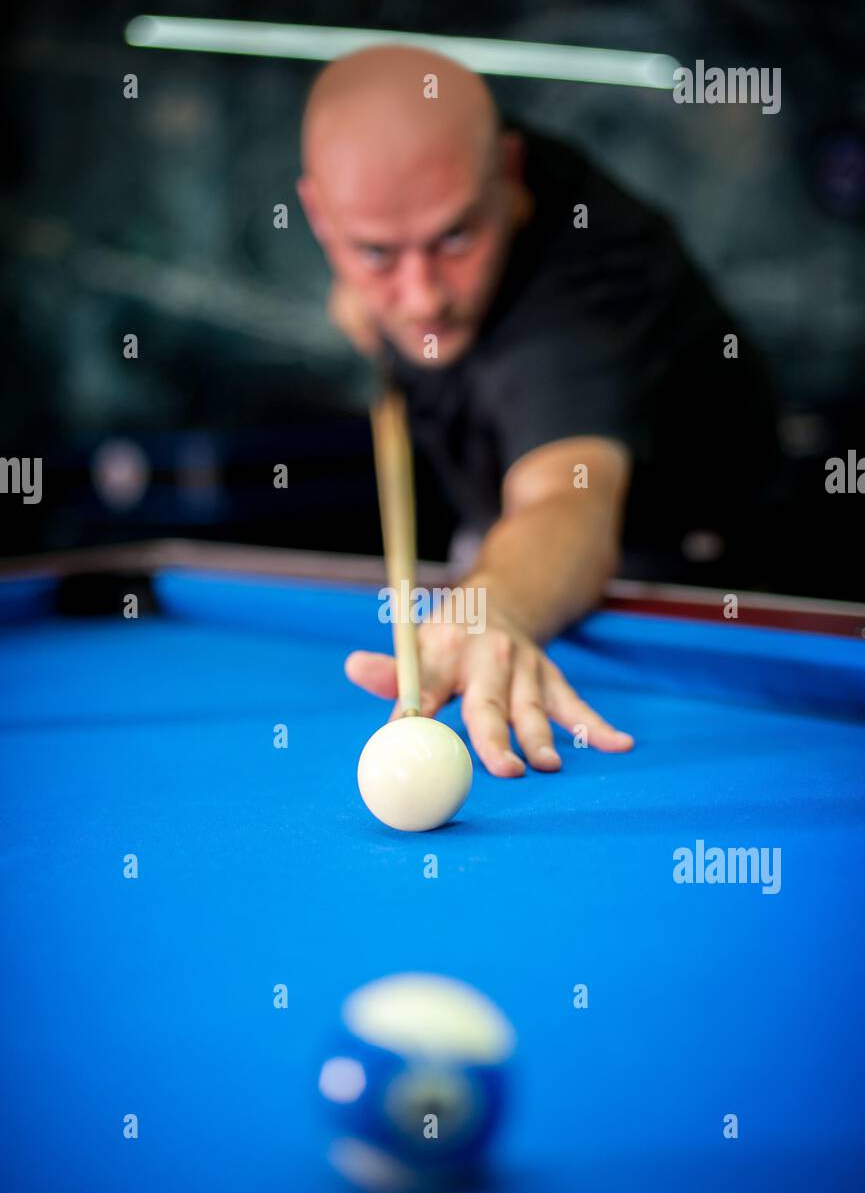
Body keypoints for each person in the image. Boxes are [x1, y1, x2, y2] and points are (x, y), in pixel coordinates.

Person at [297, 45, 776, 778]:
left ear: (510, 176)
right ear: (319, 217)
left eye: (455, 236)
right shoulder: (398, 231)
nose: (423, 296)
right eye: (377, 252)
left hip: (699, 580)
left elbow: (566, 497)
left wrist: (492, 607)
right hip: (499, 531)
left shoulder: (582, 295)